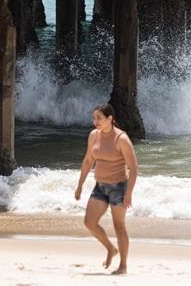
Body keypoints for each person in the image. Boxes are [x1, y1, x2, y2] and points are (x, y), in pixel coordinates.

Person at [74, 103, 139, 275]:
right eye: (94, 118)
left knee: (119, 226)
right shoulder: (93, 135)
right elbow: (88, 161)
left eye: (99, 118)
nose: (95, 121)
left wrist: (129, 194)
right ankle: (111, 248)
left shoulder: (121, 139)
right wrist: (80, 185)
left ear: (109, 119)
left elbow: (133, 168)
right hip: (100, 186)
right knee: (89, 222)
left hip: (119, 187)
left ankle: (123, 265)